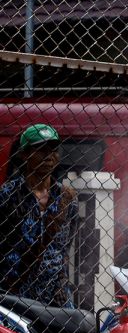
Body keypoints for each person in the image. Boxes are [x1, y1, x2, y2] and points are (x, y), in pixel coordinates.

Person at [0, 124, 78, 306]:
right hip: (14, 293)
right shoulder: (7, 195)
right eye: (41, 151)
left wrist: (61, 282)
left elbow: (64, 250)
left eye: (53, 150)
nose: (49, 156)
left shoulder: (66, 198)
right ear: (24, 154)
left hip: (54, 294)